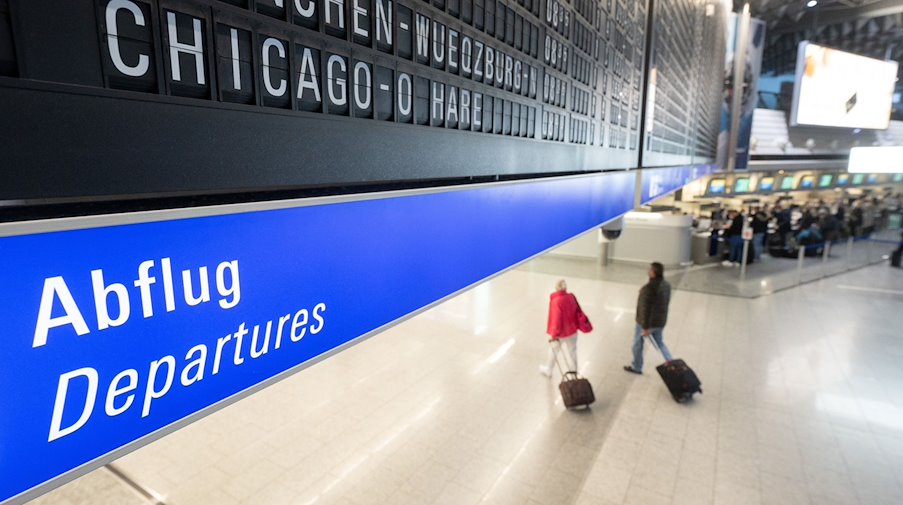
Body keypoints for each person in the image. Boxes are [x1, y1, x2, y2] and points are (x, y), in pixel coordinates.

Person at [624, 262, 673, 374]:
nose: (648, 271)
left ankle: (637, 367)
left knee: (637, 344)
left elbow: (644, 309)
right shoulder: (666, 285)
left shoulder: (648, 289)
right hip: (660, 322)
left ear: (653, 273)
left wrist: (645, 327)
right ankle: (671, 362)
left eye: (650, 270)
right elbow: (664, 304)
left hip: (646, 324)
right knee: (660, 343)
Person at [540, 279, 582, 377]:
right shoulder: (571, 297)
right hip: (573, 331)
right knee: (572, 353)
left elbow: (556, 319)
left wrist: (553, 335)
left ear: (556, 288)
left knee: (553, 350)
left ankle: (548, 370)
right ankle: (573, 375)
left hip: (561, 333)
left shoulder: (556, 300)